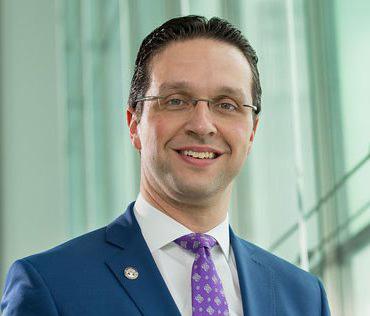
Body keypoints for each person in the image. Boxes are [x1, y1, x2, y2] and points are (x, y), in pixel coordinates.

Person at [1, 15, 330, 316]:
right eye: (176, 101)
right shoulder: (52, 286)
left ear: (252, 131)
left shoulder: (303, 297)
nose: (202, 125)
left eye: (226, 105)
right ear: (134, 124)